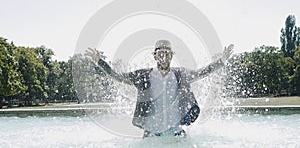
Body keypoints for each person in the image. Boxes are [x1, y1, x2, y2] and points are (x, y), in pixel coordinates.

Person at [85, 40, 234, 138]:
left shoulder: (180, 74)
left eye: (167, 54)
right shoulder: (143, 76)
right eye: (160, 54)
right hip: (151, 133)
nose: (163, 57)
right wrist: (99, 62)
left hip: (176, 132)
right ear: (155, 57)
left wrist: (222, 60)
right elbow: (118, 76)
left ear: (171, 56)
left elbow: (203, 72)